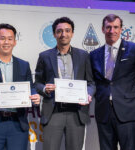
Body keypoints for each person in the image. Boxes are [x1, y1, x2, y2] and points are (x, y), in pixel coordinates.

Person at [0, 23, 40, 150]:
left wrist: (35, 96)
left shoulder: (24, 65)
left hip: (17, 123)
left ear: (15, 42)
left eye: (10, 39)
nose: (6, 42)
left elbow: (30, 87)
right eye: (2, 38)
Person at [89, 14, 135, 150]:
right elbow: (92, 82)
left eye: (116, 27)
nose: (112, 31)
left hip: (128, 112)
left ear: (121, 29)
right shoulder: (94, 55)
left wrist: (131, 98)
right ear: (102, 29)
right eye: (109, 27)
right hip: (104, 112)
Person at [34, 17, 95, 150]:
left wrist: (88, 94)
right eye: (59, 31)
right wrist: (44, 88)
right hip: (53, 111)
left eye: (67, 31)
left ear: (72, 33)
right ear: (54, 34)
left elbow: (91, 83)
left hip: (77, 112)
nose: (63, 34)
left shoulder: (83, 55)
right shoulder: (45, 56)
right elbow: (37, 83)